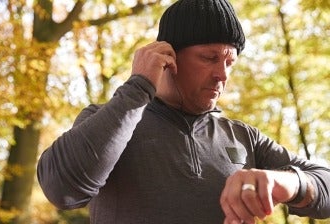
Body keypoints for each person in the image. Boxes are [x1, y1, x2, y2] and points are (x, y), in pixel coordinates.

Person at [37, 0, 330, 223]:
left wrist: (288, 182)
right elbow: (60, 188)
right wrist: (138, 86)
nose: (223, 75)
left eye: (230, 62)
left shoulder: (243, 136)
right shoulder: (112, 118)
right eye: (209, 58)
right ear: (167, 56)